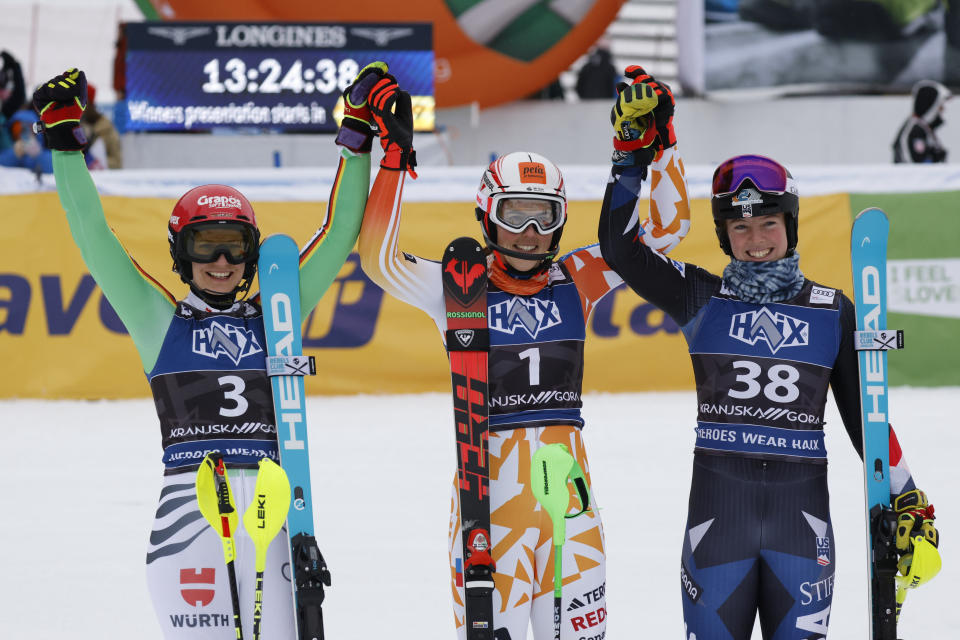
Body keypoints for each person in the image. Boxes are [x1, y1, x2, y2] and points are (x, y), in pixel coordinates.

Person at [34, 64, 384, 639]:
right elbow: (92, 235)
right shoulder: (156, 320)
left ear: (251, 256)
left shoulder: (280, 314)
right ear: (181, 253)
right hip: (189, 517)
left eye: (235, 248)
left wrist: (356, 131)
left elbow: (342, 228)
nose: (221, 264)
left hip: (277, 514)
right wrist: (63, 138)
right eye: (205, 247)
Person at [598, 74, 940, 639]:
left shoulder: (834, 311)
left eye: (768, 223)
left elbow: (866, 419)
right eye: (740, 226)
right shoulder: (699, 297)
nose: (756, 239)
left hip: (800, 531)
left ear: (790, 224)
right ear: (724, 233)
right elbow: (619, 248)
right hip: (717, 525)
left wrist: (907, 494)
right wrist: (631, 156)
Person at [356, 72, 690, 639]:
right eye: (515, 214)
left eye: (545, 215)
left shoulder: (578, 277)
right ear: (488, 213)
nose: (531, 232)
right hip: (490, 515)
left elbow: (665, 233)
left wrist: (660, 141)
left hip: (572, 512)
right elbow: (379, 261)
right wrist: (392, 157)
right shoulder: (457, 288)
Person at [893, 79, 951, 163]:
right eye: (939, 105)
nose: (942, 109)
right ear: (930, 104)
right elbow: (916, 165)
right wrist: (934, 157)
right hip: (913, 176)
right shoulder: (915, 130)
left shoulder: (923, 128)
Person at [80, 83, 123, 169]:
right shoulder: (77, 126)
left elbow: (117, 162)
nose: (80, 108)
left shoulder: (106, 129)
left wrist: (99, 163)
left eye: (82, 103)